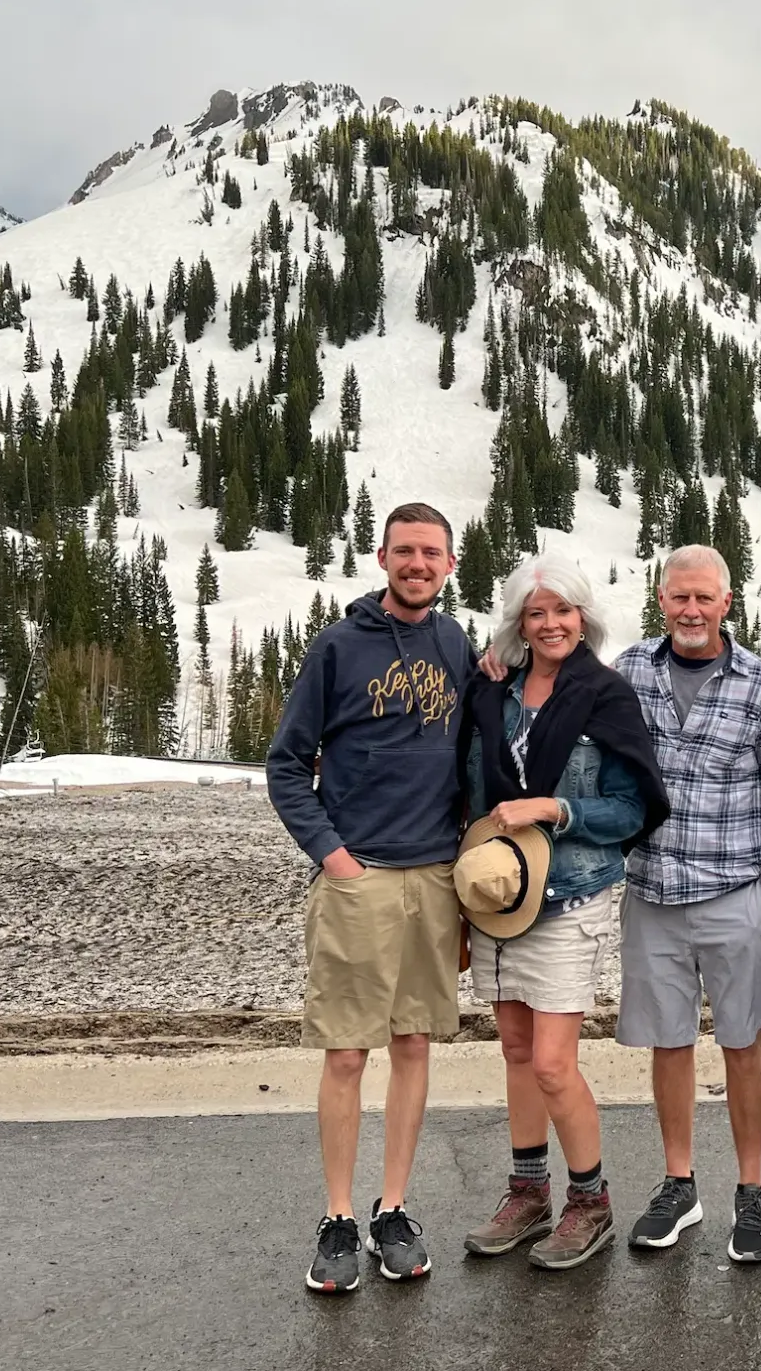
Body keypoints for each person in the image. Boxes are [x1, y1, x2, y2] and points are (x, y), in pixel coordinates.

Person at [266, 502, 477, 1293]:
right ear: (381, 556)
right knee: (348, 1051)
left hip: (434, 877)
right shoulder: (339, 646)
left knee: (415, 1044)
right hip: (360, 875)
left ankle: (393, 1209)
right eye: (405, 551)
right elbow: (287, 763)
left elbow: (470, 750)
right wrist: (335, 858)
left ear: (450, 564)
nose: (418, 564)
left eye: (432, 553)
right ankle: (338, 1217)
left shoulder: (454, 643)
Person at [454, 556, 670, 1271]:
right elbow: (467, 783)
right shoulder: (494, 692)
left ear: (584, 618)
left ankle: (590, 1202)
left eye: (563, 611)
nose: (550, 624)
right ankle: (527, 1192)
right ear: (520, 622)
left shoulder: (604, 696)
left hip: (572, 893)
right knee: (515, 1053)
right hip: (498, 894)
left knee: (551, 1062)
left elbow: (633, 808)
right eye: (536, 613)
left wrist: (554, 808)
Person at [611, 544, 761, 1264]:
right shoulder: (629, 671)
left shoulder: (759, 684)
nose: (692, 610)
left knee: (742, 1042)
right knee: (669, 1040)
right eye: (679, 597)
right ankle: (679, 1184)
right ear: (663, 600)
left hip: (734, 890)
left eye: (705, 598)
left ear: (727, 603)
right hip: (652, 889)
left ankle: (751, 1192)